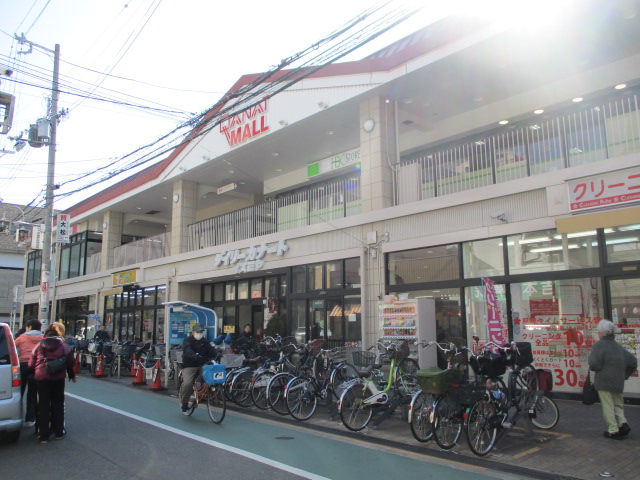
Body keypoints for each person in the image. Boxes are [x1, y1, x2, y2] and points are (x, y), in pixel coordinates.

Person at [588, 319, 637, 440]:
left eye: (598, 331)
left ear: (601, 333)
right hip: (618, 382)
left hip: (603, 381)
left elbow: (594, 365)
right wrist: (624, 375)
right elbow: (633, 362)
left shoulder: (598, 346)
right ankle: (623, 423)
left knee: (608, 406)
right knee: (618, 404)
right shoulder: (618, 347)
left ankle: (613, 430)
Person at [29, 323, 77, 444]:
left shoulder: (39, 345)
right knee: (58, 404)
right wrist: (71, 375)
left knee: (43, 406)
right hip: (58, 377)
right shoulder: (63, 345)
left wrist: (35, 372)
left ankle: (43, 436)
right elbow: (70, 362)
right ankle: (59, 432)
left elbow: (31, 363)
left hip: (41, 378)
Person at [179, 323, 219, 415]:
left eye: (201, 332)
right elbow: (187, 350)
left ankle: (209, 395)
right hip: (190, 365)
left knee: (211, 377)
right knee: (187, 383)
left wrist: (217, 353)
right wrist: (193, 355)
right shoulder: (188, 340)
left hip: (202, 364)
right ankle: (184, 403)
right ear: (193, 332)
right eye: (198, 331)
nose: (200, 333)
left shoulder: (204, 341)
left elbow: (211, 349)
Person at [15, 319, 43, 427]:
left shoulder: (23, 337)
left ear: (30, 327)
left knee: (19, 391)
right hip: (37, 366)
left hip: (23, 365)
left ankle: (16, 417)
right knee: (33, 392)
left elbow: (13, 346)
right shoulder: (43, 338)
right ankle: (30, 420)